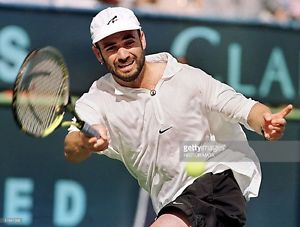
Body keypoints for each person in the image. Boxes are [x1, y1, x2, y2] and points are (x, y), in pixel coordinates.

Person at [64, 7, 293, 227]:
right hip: (170, 203)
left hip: (219, 182)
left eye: (129, 42)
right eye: (111, 47)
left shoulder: (189, 78)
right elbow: (71, 148)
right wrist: (85, 142)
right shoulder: (94, 101)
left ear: (142, 39)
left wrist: (265, 122)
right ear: (98, 53)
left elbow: (244, 108)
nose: (123, 54)